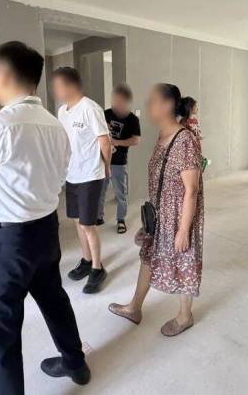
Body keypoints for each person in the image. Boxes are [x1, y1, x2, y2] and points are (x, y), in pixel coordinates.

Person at [0, 42, 90, 394]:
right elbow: (61, 175)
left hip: (10, 239)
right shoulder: (54, 124)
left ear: (5, 76)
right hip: (46, 229)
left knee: (0, 320)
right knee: (53, 298)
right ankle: (75, 363)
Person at [108, 83, 204, 337]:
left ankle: (185, 316)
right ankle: (134, 308)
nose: (148, 106)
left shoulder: (184, 140)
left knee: (184, 258)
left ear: (168, 105)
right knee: (149, 255)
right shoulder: (163, 135)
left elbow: (192, 190)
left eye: (153, 102)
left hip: (179, 214)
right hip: (161, 213)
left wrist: (183, 230)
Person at [52, 67, 112, 294]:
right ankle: (86, 260)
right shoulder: (62, 111)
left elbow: (104, 142)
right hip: (72, 174)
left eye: (58, 86)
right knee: (77, 221)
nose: (55, 91)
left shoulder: (90, 108)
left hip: (90, 174)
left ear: (71, 85)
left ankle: (97, 267)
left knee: (87, 224)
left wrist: (106, 167)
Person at [97, 83, 141, 234]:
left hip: (119, 162)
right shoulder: (105, 114)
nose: (116, 104)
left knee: (121, 192)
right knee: (100, 190)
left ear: (127, 102)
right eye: (115, 100)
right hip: (102, 160)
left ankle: (121, 219)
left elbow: (136, 140)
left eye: (120, 101)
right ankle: (98, 216)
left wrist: (117, 142)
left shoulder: (132, 120)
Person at [180, 97, 209, 172]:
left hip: (197, 146)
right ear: (190, 108)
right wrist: (194, 137)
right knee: (191, 167)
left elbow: (197, 131)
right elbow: (182, 136)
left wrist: (199, 136)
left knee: (200, 164)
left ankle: (198, 177)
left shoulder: (195, 120)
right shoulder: (184, 121)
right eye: (196, 106)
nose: (197, 108)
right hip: (189, 149)